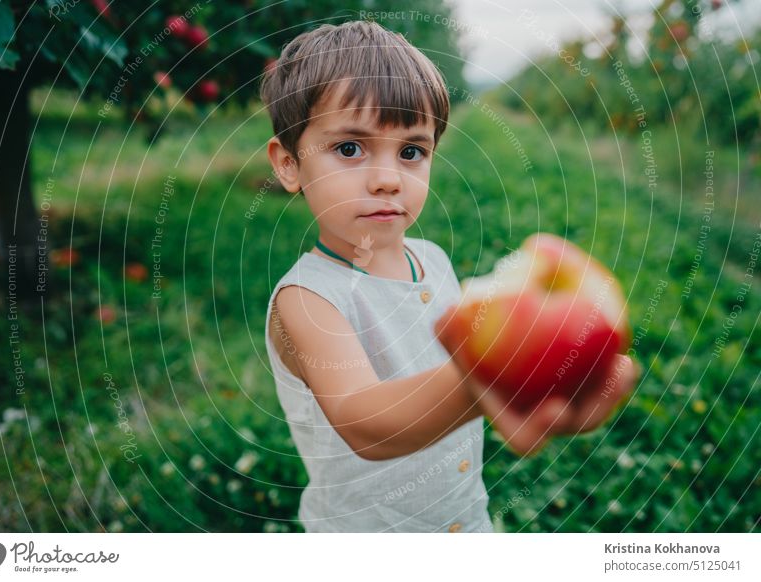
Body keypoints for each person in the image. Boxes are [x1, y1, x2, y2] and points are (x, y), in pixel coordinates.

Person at [261, 20, 636, 533]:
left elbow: (465, 349)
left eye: (411, 152)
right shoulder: (308, 300)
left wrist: (529, 358)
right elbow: (366, 423)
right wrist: (485, 383)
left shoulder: (432, 259)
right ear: (288, 165)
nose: (388, 179)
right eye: (350, 148)